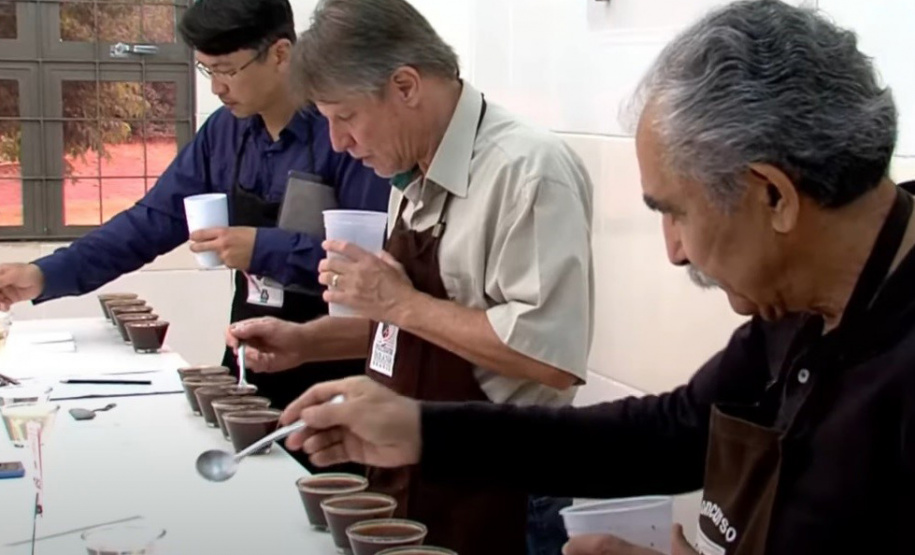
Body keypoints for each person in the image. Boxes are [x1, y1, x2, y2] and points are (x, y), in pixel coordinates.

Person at [272, 1, 915, 554]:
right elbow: (671, 431)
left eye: (675, 214)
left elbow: (551, 362)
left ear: (773, 195)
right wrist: (418, 429)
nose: (674, 254)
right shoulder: (796, 312)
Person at [226, 0, 594, 552]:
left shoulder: (525, 170)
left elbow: (549, 358)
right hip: (418, 466)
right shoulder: (412, 169)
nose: (338, 143)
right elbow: (425, 335)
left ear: (404, 86)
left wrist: (396, 302)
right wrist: (306, 342)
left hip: (505, 486)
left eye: (344, 117)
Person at [0, 0, 389, 473]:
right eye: (207, 72)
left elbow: (369, 259)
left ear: (282, 53)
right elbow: (151, 220)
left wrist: (261, 248)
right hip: (251, 348)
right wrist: (44, 274)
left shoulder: (342, 133)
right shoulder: (224, 133)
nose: (219, 87)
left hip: (338, 359)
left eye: (227, 70)